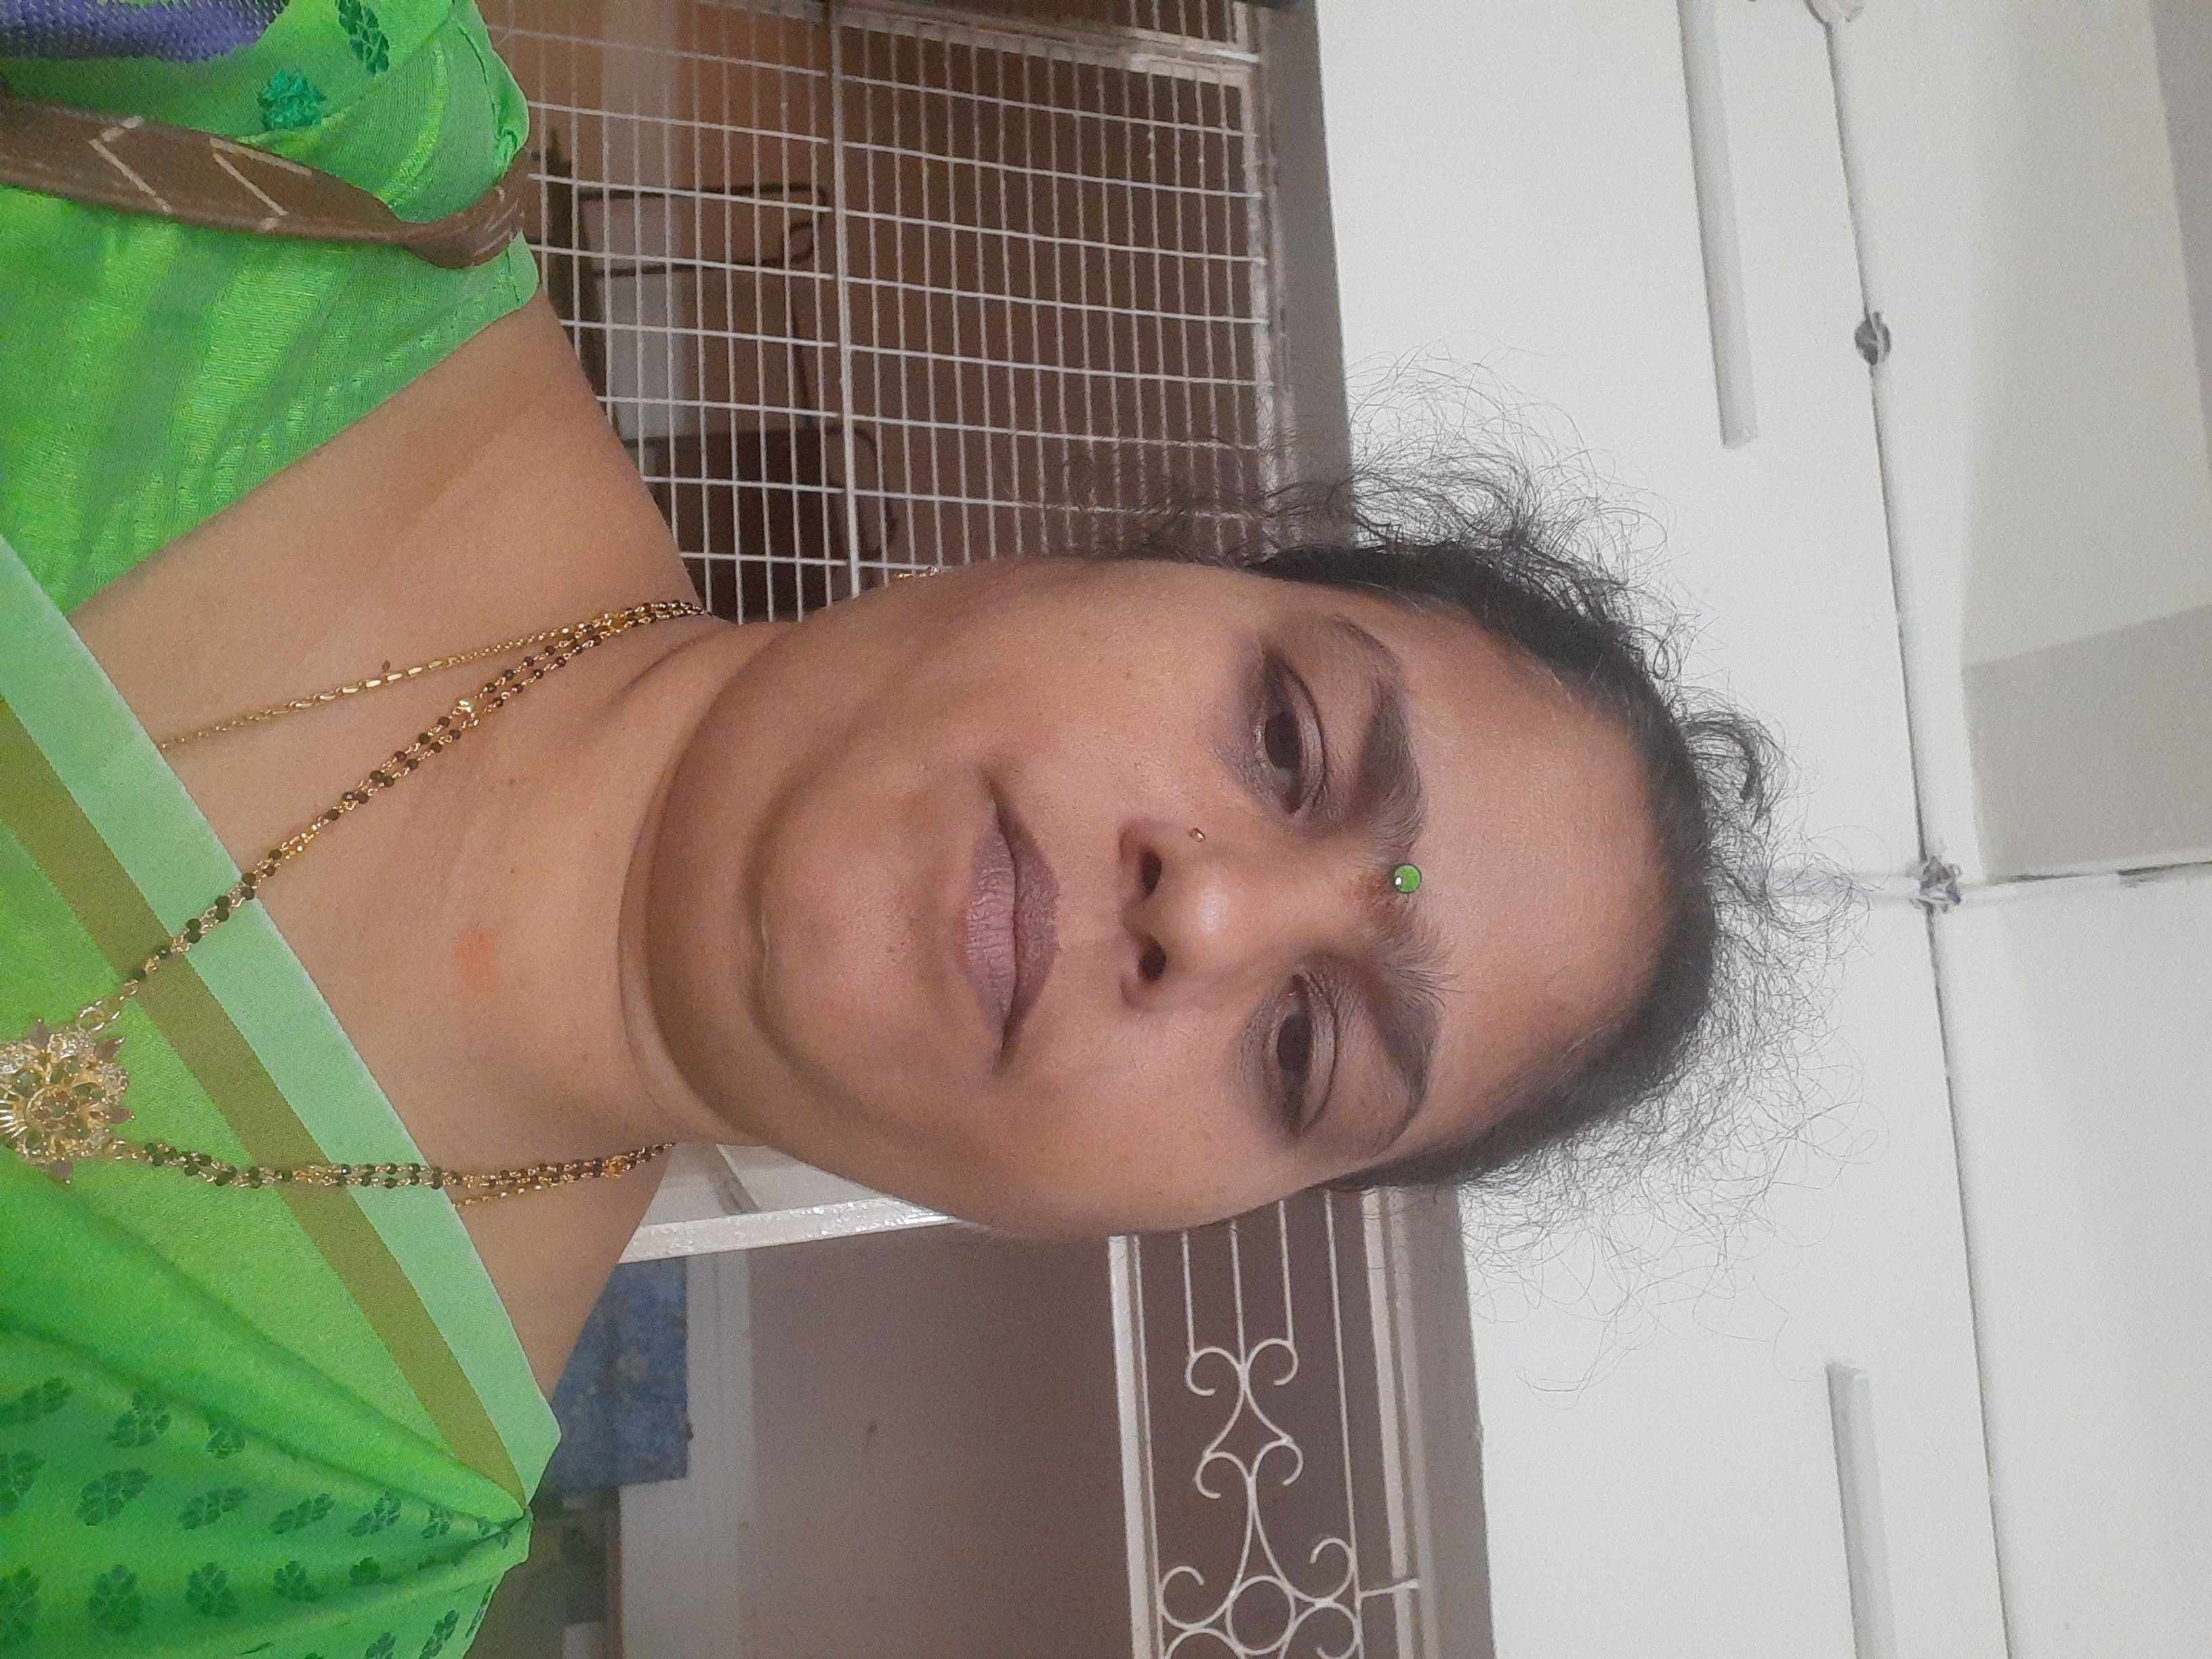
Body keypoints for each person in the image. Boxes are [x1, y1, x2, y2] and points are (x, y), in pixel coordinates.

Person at [0, 3, 1786, 1655]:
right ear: (1129, 562)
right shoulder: (302, 117)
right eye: (1285, 738)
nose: (1210, 917)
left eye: (1306, 1047)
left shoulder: (319, 1572)